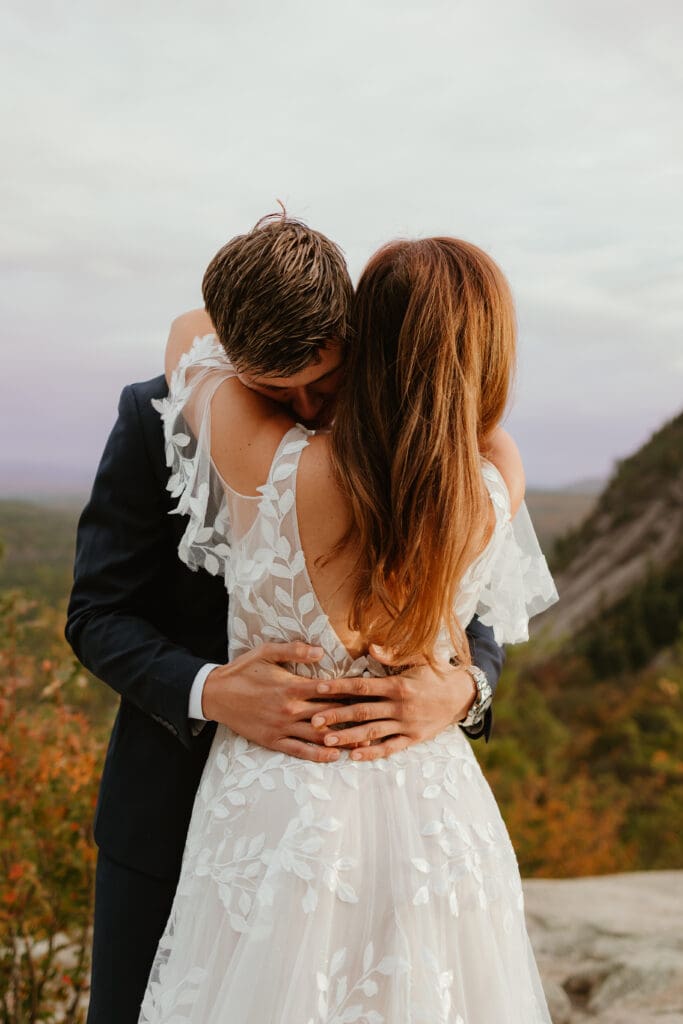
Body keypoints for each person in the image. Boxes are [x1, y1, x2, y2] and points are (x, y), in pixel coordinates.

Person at [65, 216, 505, 1024]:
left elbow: (470, 614)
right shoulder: (153, 416)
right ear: (231, 360)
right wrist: (208, 691)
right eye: (275, 391)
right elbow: (96, 614)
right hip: (170, 817)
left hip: (380, 851)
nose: (306, 407)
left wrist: (463, 690)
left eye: (324, 383)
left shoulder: (408, 439)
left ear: (352, 334)